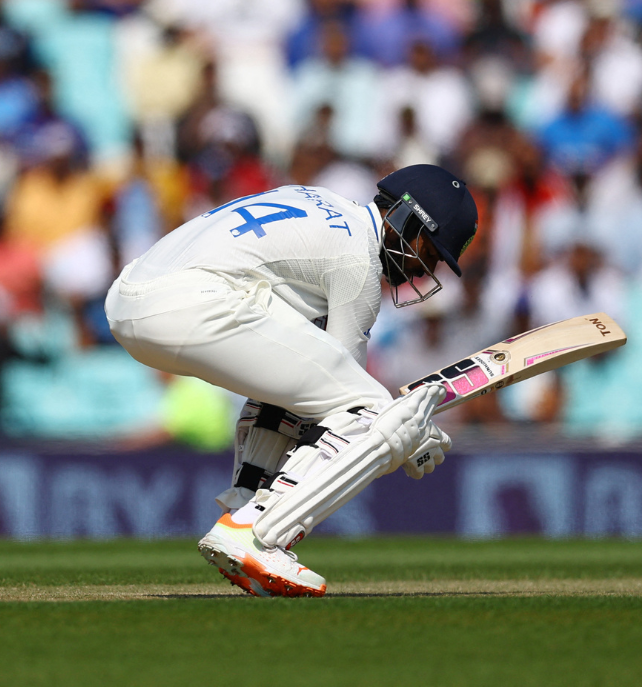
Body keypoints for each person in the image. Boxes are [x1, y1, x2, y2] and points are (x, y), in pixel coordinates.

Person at [105, 164, 478, 597]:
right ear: (405, 219)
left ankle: (246, 503)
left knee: (310, 373)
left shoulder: (317, 199)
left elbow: (313, 383)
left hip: (129, 297)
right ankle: (258, 534)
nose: (422, 269)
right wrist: (410, 434)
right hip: (190, 304)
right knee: (375, 414)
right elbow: (350, 402)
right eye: (428, 251)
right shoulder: (357, 261)